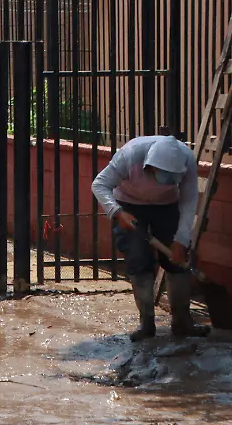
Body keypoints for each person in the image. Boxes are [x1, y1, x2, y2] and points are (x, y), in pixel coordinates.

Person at [91, 135, 209, 341]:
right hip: (128, 204)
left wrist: (181, 239)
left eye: (173, 177)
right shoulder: (130, 155)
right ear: (149, 167)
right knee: (138, 261)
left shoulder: (186, 159)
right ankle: (146, 323)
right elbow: (99, 184)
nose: (167, 181)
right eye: (163, 175)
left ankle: (182, 321)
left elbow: (189, 201)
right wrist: (118, 212)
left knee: (177, 263)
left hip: (167, 207)